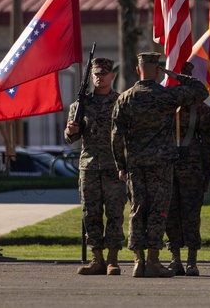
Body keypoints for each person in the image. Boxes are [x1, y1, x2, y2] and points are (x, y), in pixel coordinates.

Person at [111, 52, 209, 278]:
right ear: (157, 71)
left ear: (137, 70)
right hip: (161, 164)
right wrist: (176, 75)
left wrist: (121, 165)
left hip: (135, 164)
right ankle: (153, 261)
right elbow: (200, 92)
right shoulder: (166, 96)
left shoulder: (125, 98)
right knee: (158, 211)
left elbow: (116, 135)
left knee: (137, 210)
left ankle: (138, 262)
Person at [65, 57, 127, 275]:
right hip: (89, 167)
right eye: (96, 74)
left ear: (112, 76)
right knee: (90, 213)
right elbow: (70, 137)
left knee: (114, 214)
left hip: (113, 166)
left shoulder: (121, 102)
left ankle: (112, 260)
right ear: (91, 77)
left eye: (103, 74)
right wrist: (71, 131)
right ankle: (96, 259)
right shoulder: (80, 104)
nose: (99, 78)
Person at [165, 63, 210, 276]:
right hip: (169, 166)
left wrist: (207, 172)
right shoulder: (166, 107)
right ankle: (175, 258)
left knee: (191, 214)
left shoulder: (203, 111)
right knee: (170, 212)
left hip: (192, 168)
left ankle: (192, 260)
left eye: (186, 79)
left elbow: (208, 144)